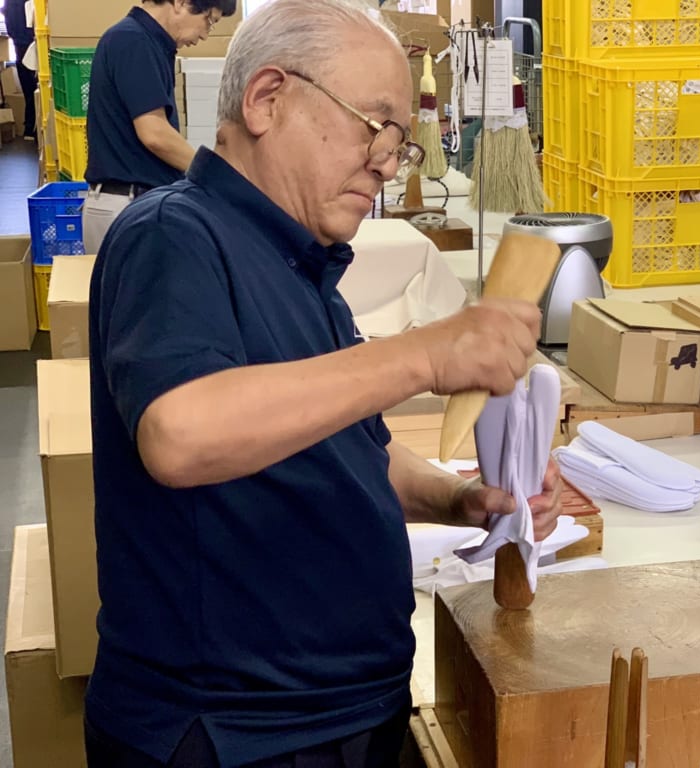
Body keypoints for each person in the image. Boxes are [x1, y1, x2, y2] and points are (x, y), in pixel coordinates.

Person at [85, 1, 563, 766]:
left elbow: (356, 452)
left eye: (400, 143)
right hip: (239, 735)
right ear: (267, 98)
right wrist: (423, 355)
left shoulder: (304, 268)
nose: (383, 159)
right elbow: (182, 434)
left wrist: (459, 499)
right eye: (372, 123)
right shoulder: (177, 237)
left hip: (341, 713)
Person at [82, 0, 236, 253]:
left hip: (136, 203)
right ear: (181, 3)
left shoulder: (147, 42)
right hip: (127, 204)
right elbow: (155, 133)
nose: (205, 35)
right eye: (209, 20)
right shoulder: (133, 41)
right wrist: (214, 174)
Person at [2, 0, 36, 139]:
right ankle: (32, 128)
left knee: (29, 92)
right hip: (31, 45)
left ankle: (29, 128)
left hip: (19, 46)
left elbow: (9, 22)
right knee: (36, 90)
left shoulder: (10, 3)